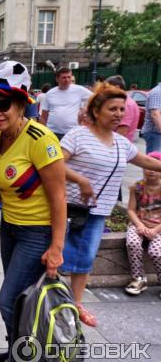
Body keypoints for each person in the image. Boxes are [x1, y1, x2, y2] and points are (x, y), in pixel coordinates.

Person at [0, 61, 66, 362]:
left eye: (3, 104)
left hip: (36, 232)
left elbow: (59, 196)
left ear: (20, 104)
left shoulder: (39, 139)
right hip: (9, 227)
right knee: (20, 301)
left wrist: (56, 247)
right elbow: (6, 182)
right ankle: (18, 354)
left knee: (7, 299)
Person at [59, 83, 161, 327]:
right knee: (57, 257)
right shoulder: (77, 135)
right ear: (96, 111)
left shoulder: (121, 143)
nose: (118, 114)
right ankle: (50, 298)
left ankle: (76, 303)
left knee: (86, 259)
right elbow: (54, 165)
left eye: (121, 109)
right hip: (69, 209)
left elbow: (146, 160)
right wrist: (81, 180)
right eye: (112, 109)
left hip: (97, 212)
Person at [124, 151, 161, 296]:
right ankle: (138, 278)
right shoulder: (137, 187)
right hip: (140, 224)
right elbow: (131, 210)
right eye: (148, 167)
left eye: (155, 167)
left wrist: (156, 229)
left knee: (156, 252)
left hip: (158, 227)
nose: (151, 171)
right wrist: (139, 225)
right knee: (132, 243)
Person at [40, 67, 92, 141]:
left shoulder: (79, 90)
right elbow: (43, 116)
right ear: (57, 79)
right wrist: (43, 133)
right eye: (64, 77)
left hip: (72, 133)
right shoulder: (49, 94)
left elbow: (95, 97)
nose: (67, 80)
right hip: (52, 132)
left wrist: (85, 108)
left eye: (69, 77)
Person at [106, 75, 139, 142]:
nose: (105, 91)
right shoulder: (126, 101)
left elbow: (121, 132)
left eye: (107, 88)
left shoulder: (125, 103)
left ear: (116, 87)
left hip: (118, 147)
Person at [141, 82, 161, 153]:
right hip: (154, 133)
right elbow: (155, 115)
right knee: (154, 161)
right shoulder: (158, 92)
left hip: (157, 133)